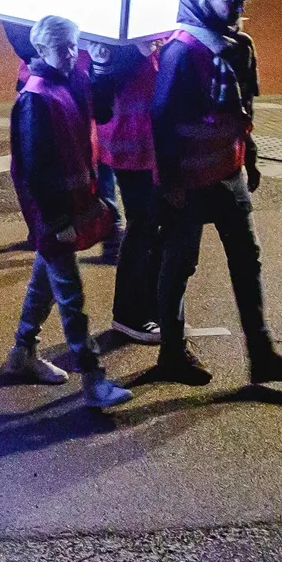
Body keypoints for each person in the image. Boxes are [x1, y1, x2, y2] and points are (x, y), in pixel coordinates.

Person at [148, 0, 282, 388]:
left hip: (229, 172)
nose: (239, 8)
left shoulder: (237, 46)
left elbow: (243, 112)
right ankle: (172, 354)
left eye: (241, 1)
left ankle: (262, 354)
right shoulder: (182, 51)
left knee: (245, 259)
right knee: (180, 265)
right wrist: (171, 183)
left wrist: (249, 158)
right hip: (192, 181)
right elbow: (162, 120)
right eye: (231, 1)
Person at [0, 14, 131, 409]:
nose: (71, 54)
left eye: (73, 46)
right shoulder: (36, 98)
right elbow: (35, 169)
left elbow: (101, 113)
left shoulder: (71, 80)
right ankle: (93, 379)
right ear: (40, 49)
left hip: (68, 208)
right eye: (63, 47)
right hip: (56, 215)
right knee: (71, 297)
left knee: (47, 283)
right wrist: (56, 221)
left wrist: (100, 69)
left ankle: (23, 351)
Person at [91, 36, 162, 342]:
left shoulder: (148, 35)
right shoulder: (115, 40)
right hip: (131, 144)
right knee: (142, 228)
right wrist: (139, 51)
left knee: (151, 228)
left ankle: (149, 306)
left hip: (148, 144)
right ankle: (130, 314)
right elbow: (101, 94)